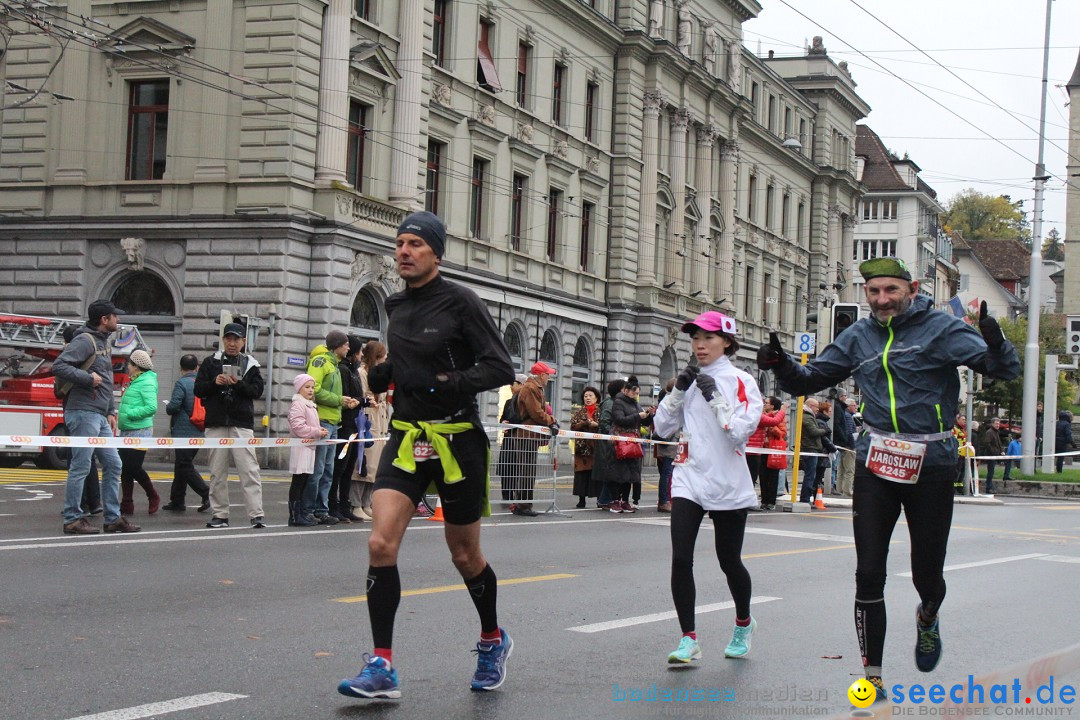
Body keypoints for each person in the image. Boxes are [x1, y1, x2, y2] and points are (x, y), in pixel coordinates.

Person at [756, 257, 1020, 703]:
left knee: (927, 575)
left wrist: (996, 343)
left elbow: (1003, 370)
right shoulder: (857, 336)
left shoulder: (940, 328)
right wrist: (781, 365)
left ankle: (929, 614)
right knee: (868, 573)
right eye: (874, 292)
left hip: (932, 464)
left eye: (891, 291)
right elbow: (810, 380)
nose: (882, 300)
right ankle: (872, 677)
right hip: (877, 462)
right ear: (866, 294)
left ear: (911, 289)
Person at [337, 211, 515, 700]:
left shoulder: (462, 302)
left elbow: (499, 366)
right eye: (399, 244)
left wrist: (448, 383)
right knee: (380, 544)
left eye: (415, 243)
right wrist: (390, 370)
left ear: (436, 252)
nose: (404, 252)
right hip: (407, 437)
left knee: (464, 554)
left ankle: (492, 640)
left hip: (457, 440)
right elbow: (414, 360)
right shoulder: (396, 306)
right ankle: (382, 666)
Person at [654, 311, 764, 664]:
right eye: (695, 339)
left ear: (727, 342)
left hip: (727, 481)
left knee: (728, 560)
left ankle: (744, 624)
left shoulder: (741, 380)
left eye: (708, 338)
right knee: (680, 558)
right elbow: (661, 429)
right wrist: (677, 392)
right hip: (688, 477)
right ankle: (688, 638)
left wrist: (717, 398)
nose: (699, 345)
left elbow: (740, 431)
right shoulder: (688, 379)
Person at [52, 300, 140, 534]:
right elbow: (59, 366)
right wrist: (88, 379)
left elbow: (107, 378)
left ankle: (112, 518)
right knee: (80, 467)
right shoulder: (84, 340)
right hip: (83, 412)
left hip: (98, 414)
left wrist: (110, 410)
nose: (117, 320)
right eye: (114, 316)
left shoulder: (103, 341)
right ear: (104, 319)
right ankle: (72, 518)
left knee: (113, 463)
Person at [194, 322, 267, 529]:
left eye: (236, 339)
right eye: (228, 339)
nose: (232, 343)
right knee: (217, 472)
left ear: (244, 342)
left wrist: (238, 383)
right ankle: (220, 514)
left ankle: (256, 514)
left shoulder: (251, 364)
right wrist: (214, 383)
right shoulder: (211, 362)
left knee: (249, 470)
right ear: (223, 340)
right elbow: (198, 390)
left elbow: (256, 391)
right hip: (216, 422)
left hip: (241, 423)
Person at [302, 330, 359, 526]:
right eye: (346, 344)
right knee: (318, 470)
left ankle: (322, 509)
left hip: (334, 421)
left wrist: (343, 402)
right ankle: (308, 509)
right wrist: (338, 400)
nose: (349, 347)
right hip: (323, 421)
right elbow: (313, 388)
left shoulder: (334, 365)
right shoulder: (321, 362)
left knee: (328, 469)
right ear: (338, 346)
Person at [60, 326, 101, 516]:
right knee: (88, 460)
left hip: (76, 409)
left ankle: (77, 508)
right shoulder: (92, 352)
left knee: (76, 462)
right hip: (92, 411)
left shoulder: (71, 357)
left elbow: (58, 386)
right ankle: (95, 503)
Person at [162, 354, 210, 512]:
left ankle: (206, 493)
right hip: (198, 430)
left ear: (181, 369)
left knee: (184, 465)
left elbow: (174, 406)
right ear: (197, 367)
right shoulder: (203, 384)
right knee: (180, 466)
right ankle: (177, 500)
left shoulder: (181, 383)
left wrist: (168, 407)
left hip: (183, 433)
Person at [117, 349, 161, 515]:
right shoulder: (136, 381)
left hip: (139, 430)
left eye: (130, 364)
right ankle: (126, 503)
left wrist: (130, 414)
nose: (127, 367)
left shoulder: (146, 382)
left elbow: (152, 407)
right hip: (128, 430)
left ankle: (153, 495)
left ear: (137, 366)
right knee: (125, 468)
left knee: (133, 467)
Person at [513, 362, 560, 516]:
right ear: (541, 375)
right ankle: (523, 505)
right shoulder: (531, 388)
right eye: (548, 374)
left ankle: (523, 504)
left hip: (529, 435)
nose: (549, 377)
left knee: (527, 470)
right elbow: (536, 412)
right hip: (527, 435)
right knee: (527, 470)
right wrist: (551, 420)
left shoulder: (533, 387)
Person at [329, 335, 367, 523]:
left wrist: (362, 401)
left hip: (355, 424)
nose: (360, 355)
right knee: (340, 466)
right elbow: (347, 397)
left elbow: (356, 396)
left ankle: (345, 504)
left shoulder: (353, 371)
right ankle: (333, 504)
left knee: (349, 466)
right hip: (346, 424)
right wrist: (363, 401)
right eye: (359, 351)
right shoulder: (344, 370)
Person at [288, 374, 329, 526]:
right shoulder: (298, 404)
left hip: (309, 447)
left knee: (304, 481)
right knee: (298, 481)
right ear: (299, 388)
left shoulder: (309, 404)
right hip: (301, 448)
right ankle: (294, 516)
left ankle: (300, 514)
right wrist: (317, 432)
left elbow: (309, 425)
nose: (311, 390)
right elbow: (298, 426)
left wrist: (319, 429)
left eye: (312, 387)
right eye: (307, 387)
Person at [355, 340, 390, 520]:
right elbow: (364, 395)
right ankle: (356, 504)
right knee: (364, 464)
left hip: (380, 421)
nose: (385, 360)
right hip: (368, 419)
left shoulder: (380, 374)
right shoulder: (362, 372)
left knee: (375, 467)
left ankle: (367, 503)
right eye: (383, 357)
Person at [608, 376, 653, 513]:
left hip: (633, 441)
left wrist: (649, 415)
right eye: (634, 392)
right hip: (620, 441)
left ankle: (626, 501)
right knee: (617, 472)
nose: (635, 395)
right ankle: (616, 501)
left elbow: (642, 422)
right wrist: (639, 416)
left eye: (637, 393)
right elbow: (620, 419)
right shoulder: (618, 402)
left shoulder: (635, 404)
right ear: (626, 390)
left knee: (630, 474)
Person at [593, 378, 626, 509]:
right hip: (608, 444)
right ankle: (605, 499)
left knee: (614, 472)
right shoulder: (609, 403)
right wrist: (613, 435)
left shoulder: (617, 403)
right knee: (611, 472)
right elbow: (604, 422)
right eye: (624, 389)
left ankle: (608, 499)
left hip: (613, 443)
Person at [495, 374, 527, 506]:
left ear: (521, 385)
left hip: (518, 439)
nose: (510, 386)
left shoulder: (524, 401)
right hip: (508, 438)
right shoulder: (509, 401)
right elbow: (502, 418)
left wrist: (511, 423)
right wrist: (504, 423)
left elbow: (522, 418)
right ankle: (506, 495)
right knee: (505, 467)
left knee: (516, 468)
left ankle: (515, 495)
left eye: (513, 384)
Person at [570, 386, 601, 509]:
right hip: (582, 448)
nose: (587, 398)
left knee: (597, 473)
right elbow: (572, 427)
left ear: (596, 398)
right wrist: (583, 423)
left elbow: (605, 426)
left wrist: (595, 424)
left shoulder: (601, 411)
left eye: (590, 396)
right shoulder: (579, 412)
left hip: (596, 448)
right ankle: (581, 500)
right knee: (581, 474)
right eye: (585, 396)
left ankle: (600, 499)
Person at [756, 396, 787, 511]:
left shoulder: (779, 418)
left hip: (773, 449)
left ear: (772, 406)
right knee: (762, 476)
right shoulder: (762, 415)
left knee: (773, 476)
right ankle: (764, 500)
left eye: (767, 403)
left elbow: (782, 434)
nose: (765, 404)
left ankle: (771, 501)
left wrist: (772, 428)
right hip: (761, 448)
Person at [652, 379, 678, 513]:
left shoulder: (667, 401)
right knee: (667, 474)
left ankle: (666, 500)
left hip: (670, 441)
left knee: (668, 473)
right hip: (670, 441)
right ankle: (664, 501)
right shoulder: (669, 402)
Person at [797, 397, 828, 504]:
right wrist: (824, 431)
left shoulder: (808, 416)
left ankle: (806, 497)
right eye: (816, 407)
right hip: (810, 448)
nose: (817, 410)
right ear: (810, 406)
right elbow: (813, 432)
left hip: (810, 448)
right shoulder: (807, 417)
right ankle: (805, 498)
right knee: (810, 475)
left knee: (811, 475)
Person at [834, 390, 857, 496]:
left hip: (843, 445)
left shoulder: (845, 413)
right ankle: (847, 491)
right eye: (854, 405)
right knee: (849, 470)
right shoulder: (847, 416)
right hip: (848, 446)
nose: (856, 407)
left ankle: (839, 489)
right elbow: (849, 432)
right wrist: (852, 446)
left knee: (841, 469)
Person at [978, 418, 1003, 494]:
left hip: (994, 454)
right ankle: (988, 487)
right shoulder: (990, 432)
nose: (998, 425)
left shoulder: (995, 432)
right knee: (990, 471)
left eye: (998, 424)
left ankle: (990, 486)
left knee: (992, 471)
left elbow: (998, 443)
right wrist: (993, 451)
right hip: (991, 455)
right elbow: (987, 443)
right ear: (992, 424)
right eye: (996, 423)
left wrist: (1001, 451)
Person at [952, 415, 969, 495]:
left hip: (963, 454)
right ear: (957, 420)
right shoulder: (954, 429)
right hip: (958, 454)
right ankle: (953, 488)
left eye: (965, 419)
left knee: (962, 472)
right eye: (963, 419)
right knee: (956, 472)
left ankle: (959, 487)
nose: (964, 421)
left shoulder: (964, 429)